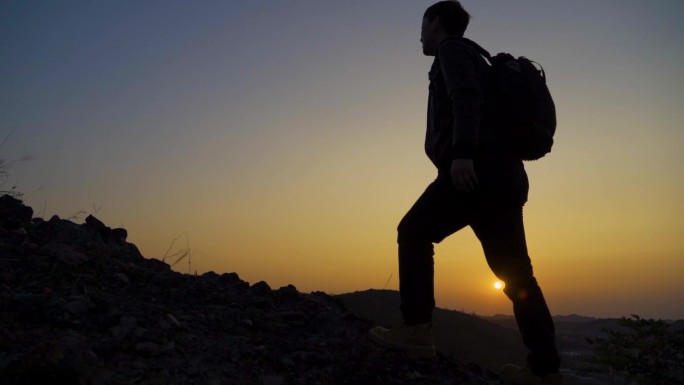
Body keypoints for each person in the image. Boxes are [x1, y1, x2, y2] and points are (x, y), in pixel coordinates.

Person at [368, 2, 563, 384]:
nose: (419, 35)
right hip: (505, 176)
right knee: (518, 275)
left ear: (436, 23)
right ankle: (545, 371)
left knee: (413, 232)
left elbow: (465, 98)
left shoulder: (452, 50)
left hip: (475, 171)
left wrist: (461, 155)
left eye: (422, 26)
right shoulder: (483, 59)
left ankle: (417, 330)